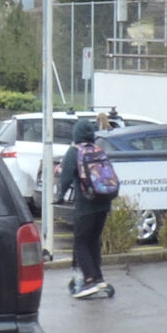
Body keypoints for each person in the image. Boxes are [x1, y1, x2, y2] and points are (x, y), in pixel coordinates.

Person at [55, 114, 118, 299]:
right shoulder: (98, 149)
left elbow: (66, 178)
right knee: (93, 241)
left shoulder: (74, 151)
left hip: (86, 204)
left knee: (81, 242)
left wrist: (59, 196)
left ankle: (90, 279)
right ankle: (98, 277)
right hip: (104, 203)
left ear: (76, 134)